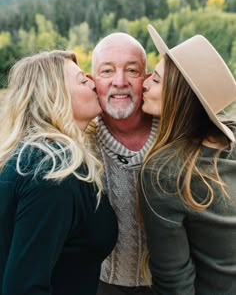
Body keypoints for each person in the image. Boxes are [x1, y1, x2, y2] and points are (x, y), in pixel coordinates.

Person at [0, 50, 118, 295]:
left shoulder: (38, 157)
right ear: (55, 95)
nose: (93, 83)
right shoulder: (51, 173)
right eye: (82, 81)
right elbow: (24, 287)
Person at [140, 24, 236, 294]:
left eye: (156, 80)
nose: (144, 83)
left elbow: (174, 281)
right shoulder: (229, 141)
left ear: (181, 95)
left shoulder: (164, 172)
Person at [90, 32, 158, 295]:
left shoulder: (173, 133)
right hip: (100, 285)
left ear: (147, 78)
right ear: (92, 80)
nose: (120, 82)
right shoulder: (80, 142)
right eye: (107, 71)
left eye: (132, 70)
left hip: (174, 285)